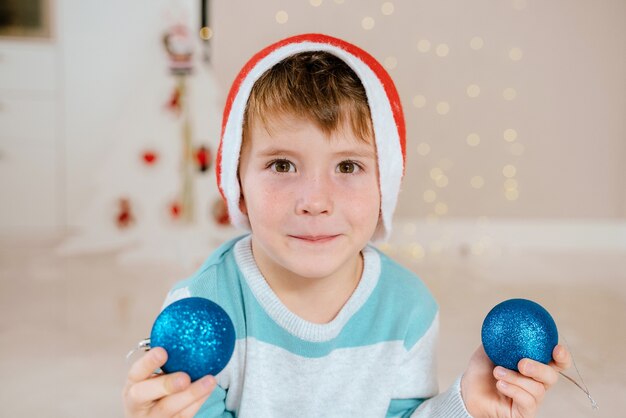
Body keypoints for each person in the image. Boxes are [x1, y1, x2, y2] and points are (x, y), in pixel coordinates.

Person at [123, 34, 571, 418]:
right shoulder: (204, 305)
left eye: (349, 166)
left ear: (386, 185)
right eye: (282, 164)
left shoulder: (408, 309)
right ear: (236, 182)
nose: (315, 201)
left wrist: (466, 403)